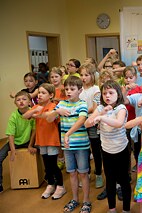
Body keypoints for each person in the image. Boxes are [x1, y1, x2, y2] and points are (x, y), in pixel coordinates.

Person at [85, 80, 132, 213]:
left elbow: (118, 123)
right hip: (106, 150)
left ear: (118, 94)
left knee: (123, 180)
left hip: (121, 149)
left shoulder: (121, 108)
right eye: (105, 93)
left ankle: (126, 209)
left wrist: (101, 118)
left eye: (111, 93)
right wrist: (101, 113)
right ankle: (112, 209)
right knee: (110, 180)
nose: (107, 96)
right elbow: (87, 124)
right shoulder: (100, 108)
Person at [47, 76, 91, 213]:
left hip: (81, 146)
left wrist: (67, 134)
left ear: (80, 90)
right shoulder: (62, 104)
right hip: (67, 147)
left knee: (83, 174)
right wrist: (56, 111)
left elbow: (82, 120)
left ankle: (86, 201)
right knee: (72, 174)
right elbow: (49, 118)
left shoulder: (82, 104)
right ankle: (75, 199)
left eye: (72, 89)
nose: (69, 91)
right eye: (66, 89)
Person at [23, 83, 66, 200]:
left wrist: (38, 113)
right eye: (39, 93)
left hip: (52, 140)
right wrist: (34, 111)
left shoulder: (53, 106)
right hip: (41, 140)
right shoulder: (36, 106)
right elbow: (25, 116)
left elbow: (49, 116)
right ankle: (51, 184)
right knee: (47, 165)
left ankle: (61, 186)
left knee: (53, 165)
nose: (40, 95)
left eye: (43, 93)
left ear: (51, 95)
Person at [0, 91, 36, 193]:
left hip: (28, 141)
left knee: (43, 150)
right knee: (0, 157)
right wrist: (13, 150)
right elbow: (10, 135)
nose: (21, 102)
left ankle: (45, 175)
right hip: (15, 142)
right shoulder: (13, 116)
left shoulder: (32, 113)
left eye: (24, 99)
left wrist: (30, 145)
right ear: (15, 103)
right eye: (18, 100)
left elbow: (34, 131)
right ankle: (0, 184)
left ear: (29, 102)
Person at [78, 63, 103, 189]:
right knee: (84, 150)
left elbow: (94, 108)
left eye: (86, 75)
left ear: (92, 76)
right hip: (80, 123)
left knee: (96, 150)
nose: (83, 77)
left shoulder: (96, 89)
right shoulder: (79, 90)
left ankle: (98, 173)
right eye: (81, 75)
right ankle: (86, 173)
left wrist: (79, 110)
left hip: (92, 123)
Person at [49, 67, 67, 170]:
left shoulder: (65, 88)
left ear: (61, 77)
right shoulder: (49, 88)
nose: (54, 79)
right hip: (53, 118)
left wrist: (57, 99)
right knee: (56, 140)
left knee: (63, 139)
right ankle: (60, 159)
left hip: (63, 119)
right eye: (52, 77)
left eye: (56, 76)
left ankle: (65, 158)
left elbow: (69, 101)